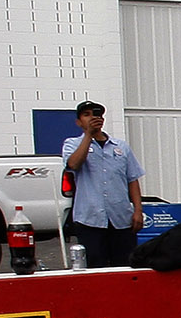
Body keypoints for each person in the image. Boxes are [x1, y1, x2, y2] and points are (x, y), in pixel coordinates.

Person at [61, 100, 144, 268]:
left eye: (96, 114)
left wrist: (138, 211)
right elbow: (73, 165)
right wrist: (88, 136)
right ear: (79, 122)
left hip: (121, 219)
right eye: (86, 115)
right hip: (90, 220)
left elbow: (132, 179)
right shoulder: (72, 144)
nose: (92, 118)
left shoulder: (121, 147)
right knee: (95, 268)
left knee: (125, 267)